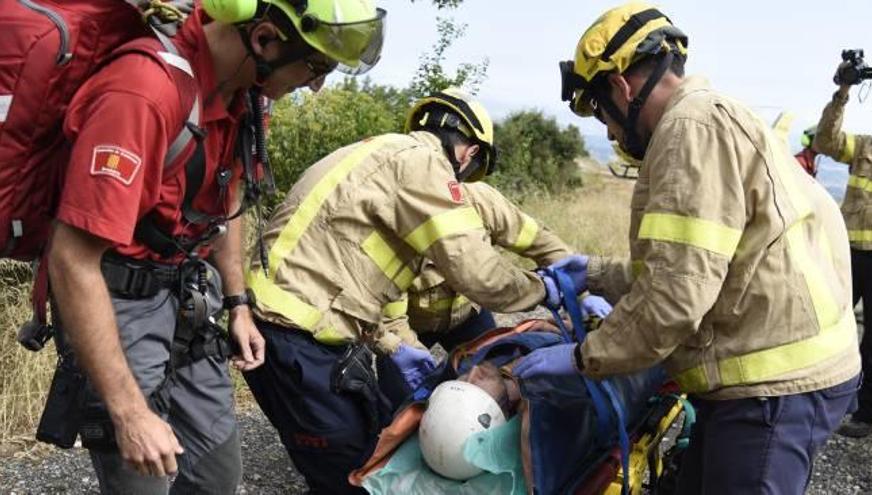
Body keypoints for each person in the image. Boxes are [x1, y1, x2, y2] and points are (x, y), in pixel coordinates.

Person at [514, 3, 860, 494]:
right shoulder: (714, 114)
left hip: (771, 390)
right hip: (776, 374)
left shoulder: (688, 131)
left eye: (601, 113)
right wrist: (592, 272)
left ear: (620, 87)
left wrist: (583, 359)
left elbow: (674, 300)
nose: (610, 132)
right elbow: (684, 269)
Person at [45, 1, 386, 493]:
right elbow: (71, 259)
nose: (317, 85)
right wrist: (129, 413)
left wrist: (238, 303)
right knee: (143, 478)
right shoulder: (143, 91)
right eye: (314, 66)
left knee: (216, 478)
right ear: (265, 39)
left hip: (188, 295)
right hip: (117, 299)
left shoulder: (246, 95)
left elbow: (226, 199)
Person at [242, 87, 552, 493]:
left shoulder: (381, 155)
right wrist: (551, 288)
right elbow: (478, 274)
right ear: (468, 152)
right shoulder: (422, 167)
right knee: (351, 468)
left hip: (294, 331)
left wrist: (391, 346)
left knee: (364, 446)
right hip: (294, 338)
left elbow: (368, 278)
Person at [380, 181, 574, 353]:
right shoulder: (394, 220)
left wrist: (579, 293)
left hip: (468, 316)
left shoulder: (481, 201)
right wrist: (406, 351)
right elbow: (391, 315)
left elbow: (542, 242)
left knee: (494, 369)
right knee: (400, 387)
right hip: (409, 324)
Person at [811, 67, 872, 438]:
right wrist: (842, 91)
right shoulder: (864, 147)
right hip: (848, 251)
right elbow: (825, 140)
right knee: (828, 323)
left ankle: (866, 415)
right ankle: (823, 397)